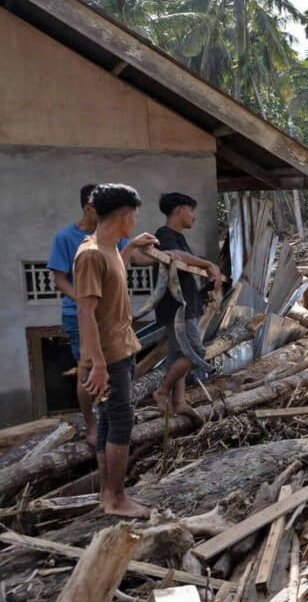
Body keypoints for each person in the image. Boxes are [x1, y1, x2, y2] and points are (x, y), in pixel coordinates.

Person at [74, 184, 160, 517]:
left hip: (120, 350)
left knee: (109, 420)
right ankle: (116, 498)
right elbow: (86, 312)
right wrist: (97, 364)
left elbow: (114, 277)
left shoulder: (109, 249)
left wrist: (131, 248)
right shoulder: (91, 253)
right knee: (120, 422)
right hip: (108, 357)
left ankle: (108, 494)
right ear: (125, 215)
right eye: (135, 215)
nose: (136, 221)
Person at [48, 184, 132, 446]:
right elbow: (59, 279)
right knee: (87, 369)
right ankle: (91, 425)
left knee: (115, 369)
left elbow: (121, 264)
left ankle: (109, 418)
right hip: (79, 314)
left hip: (110, 316)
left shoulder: (114, 236)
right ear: (88, 209)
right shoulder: (66, 239)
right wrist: (85, 299)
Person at [151, 193, 223, 420]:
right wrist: (208, 263)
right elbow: (177, 256)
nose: (193, 216)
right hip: (176, 305)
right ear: (179, 210)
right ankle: (162, 390)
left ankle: (179, 401)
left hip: (184, 303)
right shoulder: (164, 234)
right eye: (191, 210)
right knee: (195, 352)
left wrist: (208, 268)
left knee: (178, 353)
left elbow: (187, 258)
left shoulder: (178, 236)